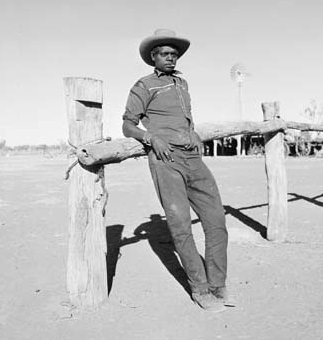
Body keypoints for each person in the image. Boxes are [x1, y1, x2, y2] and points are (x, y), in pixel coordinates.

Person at [122, 29, 228, 312]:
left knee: (216, 220)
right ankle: (200, 288)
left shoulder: (182, 84)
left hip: (193, 157)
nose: (171, 58)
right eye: (165, 54)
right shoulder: (144, 86)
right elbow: (128, 125)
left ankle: (218, 283)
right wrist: (150, 138)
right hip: (166, 160)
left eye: (174, 54)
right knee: (181, 226)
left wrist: (193, 133)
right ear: (153, 57)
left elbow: (186, 120)